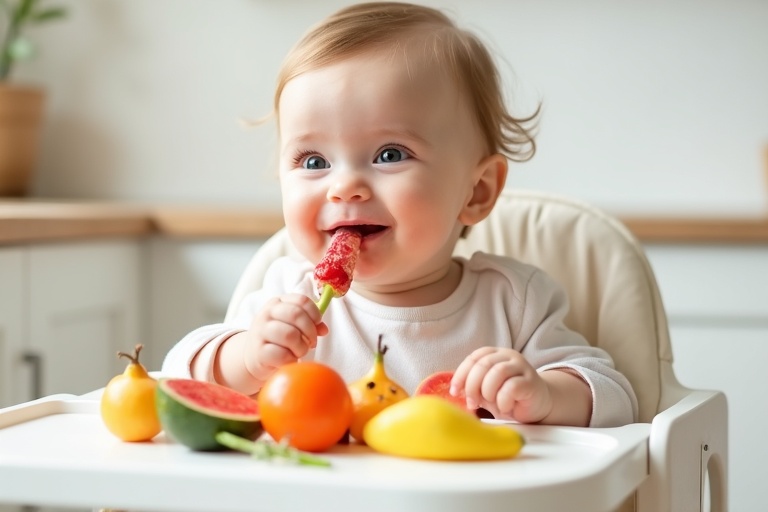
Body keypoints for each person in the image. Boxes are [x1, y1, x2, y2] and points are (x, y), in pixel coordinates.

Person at [162, 1, 638, 428]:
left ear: (476, 191)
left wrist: (545, 394)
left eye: (390, 154)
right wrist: (245, 358)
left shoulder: (513, 301)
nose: (343, 186)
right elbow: (181, 377)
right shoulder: (289, 292)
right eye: (314, 161)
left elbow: (616, 398)